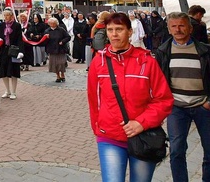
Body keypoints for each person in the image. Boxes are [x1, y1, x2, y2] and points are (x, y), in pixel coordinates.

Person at [88, 12, 173, 182]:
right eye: (110, 29)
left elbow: (164, 99)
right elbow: (93, 99)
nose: (114, 34)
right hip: (110, 137)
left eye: (119, 29)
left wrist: (142, 122)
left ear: (130, 32)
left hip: (143, 136)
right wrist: (99, 128)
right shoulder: (99, 62)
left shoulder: (147, 61)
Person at [154, 12, 210, 182]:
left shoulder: (205, 51)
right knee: (177, 150)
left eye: (181, 25)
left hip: (203, 107)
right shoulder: (163, 52)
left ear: (190, 28)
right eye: (174, 26)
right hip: (177, 108)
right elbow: (159, 81)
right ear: (169, 29)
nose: (178, 29)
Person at [0, 8, 23, 99]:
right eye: (5, 15)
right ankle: (7, 90)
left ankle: (13, 92)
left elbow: (20, 39)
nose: (6, 17)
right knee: (3, 70)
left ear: (11, 16)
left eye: (7, 15)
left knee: (13, 71)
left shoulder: (17, 25)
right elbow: (0, 35)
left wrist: (21, 51)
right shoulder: (2, 25)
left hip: (13, 50)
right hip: (4, 50)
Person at [44, 17, 71, 83]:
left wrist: (63, 41)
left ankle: (62, 74)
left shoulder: (61, 30)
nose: (53, 25)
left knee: (61, 63)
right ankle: (58, 76)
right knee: (54, 64)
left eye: (54, 23)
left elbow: (68, 37)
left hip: (60, 49)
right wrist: (46, 38)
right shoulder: (47, 31)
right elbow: (44, 42)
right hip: (52, 49)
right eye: (51, 23)